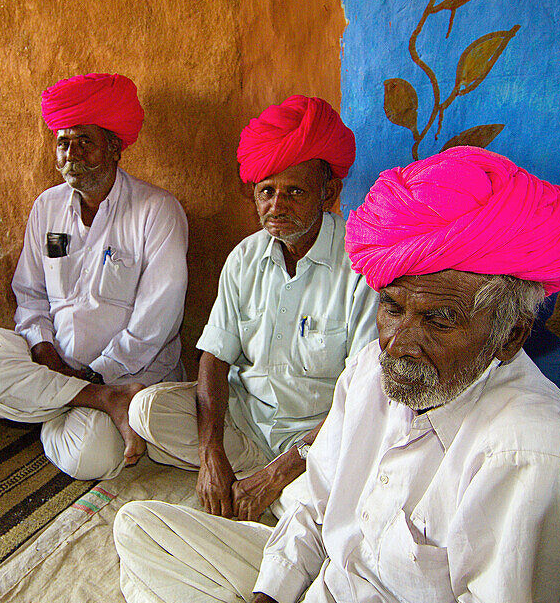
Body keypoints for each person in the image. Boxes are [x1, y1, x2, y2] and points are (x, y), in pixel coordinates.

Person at [114, 146, 560, 603]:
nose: (400, 342)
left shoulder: (525, 444)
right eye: (392, 307)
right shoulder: (371, 370)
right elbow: (313, 506)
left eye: (440, 320)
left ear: (510, 336)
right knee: (136, 530)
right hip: (321, 591)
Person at [128, 95, 377, 520]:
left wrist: (279, 472)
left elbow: (364, 399)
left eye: (295, 191)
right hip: (246, 421)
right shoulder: (245, 257)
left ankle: (277, 489)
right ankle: (254, 482)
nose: (276, 207)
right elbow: (214, 357)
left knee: (322, 502)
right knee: (145, 410)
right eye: (266, 191)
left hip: (316, 437)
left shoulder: (361, 266)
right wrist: (211, 451)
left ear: (329, 192)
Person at [0, 73, 188, 480]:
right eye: (62, 142)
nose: (70, 154)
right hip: (53, 365)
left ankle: (51, 402)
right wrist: (43, 352)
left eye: (84, 142)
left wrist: (93, 375)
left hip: (128, 375)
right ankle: (91, 401)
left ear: (115, 147)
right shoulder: (47, 207)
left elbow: (156, 325)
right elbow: (31, 296)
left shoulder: (156, 210)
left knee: (91, 457)